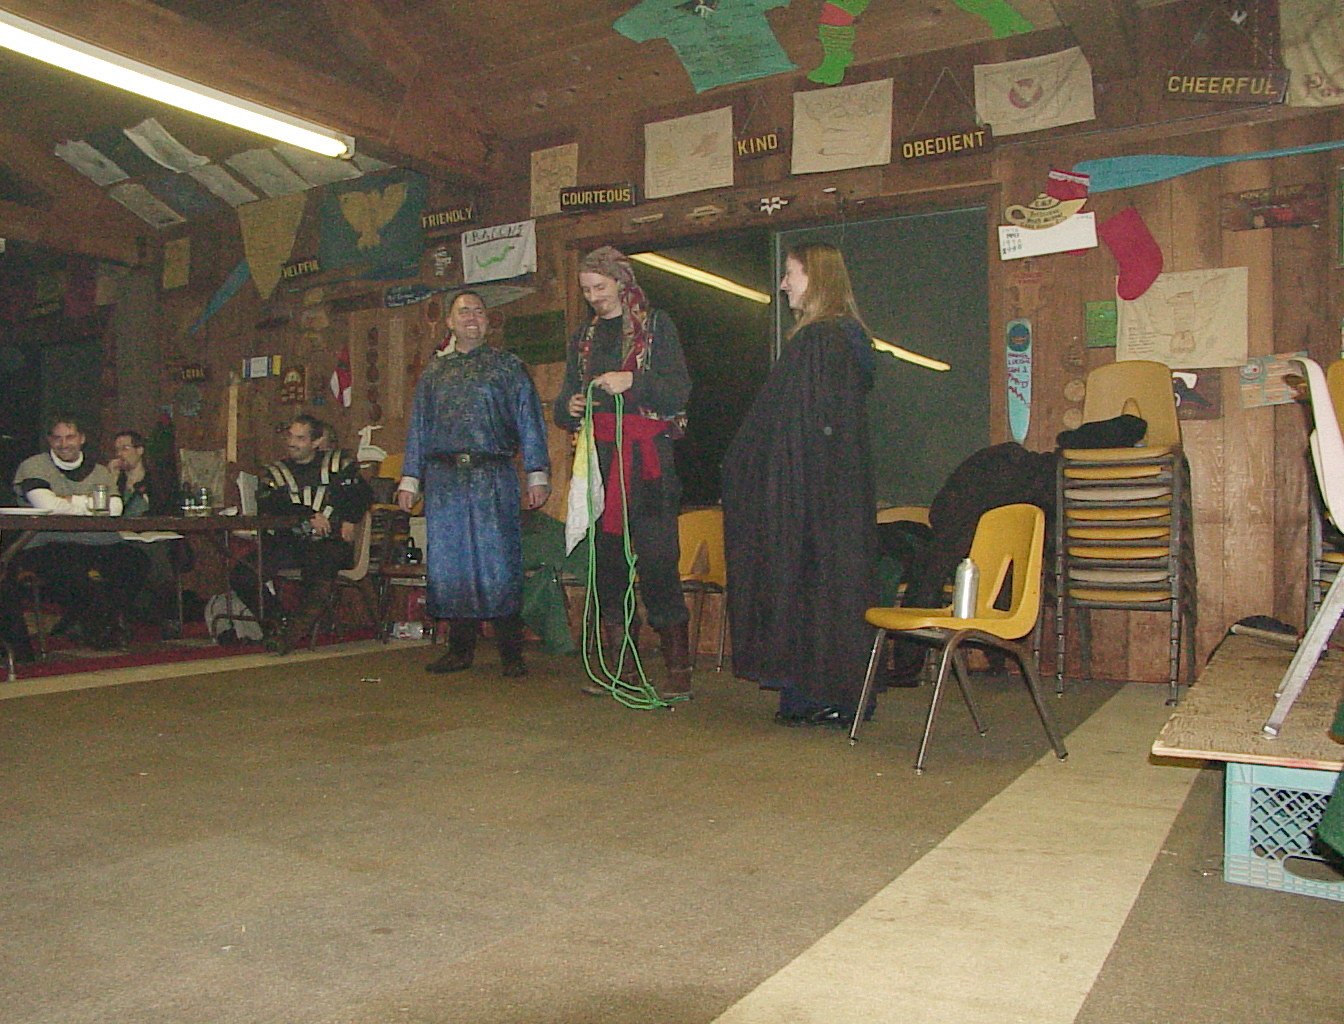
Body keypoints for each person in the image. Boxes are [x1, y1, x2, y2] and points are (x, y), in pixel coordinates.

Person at [722, 243, 878, 727]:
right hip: (835, 495)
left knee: (811, 589)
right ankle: (831, 693)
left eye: (790, 273)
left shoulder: (819, 343)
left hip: (809, 498)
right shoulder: (845, 341)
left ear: (817, 277)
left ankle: (819, 694)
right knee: (830, 590)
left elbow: (788, 428)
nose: (783, 284)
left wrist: (745, 469)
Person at [553, 246, 693, 700]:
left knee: (657, 561)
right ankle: (621, 667)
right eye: (586, 290)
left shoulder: (657, 326)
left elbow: (678, 390)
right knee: (607, 563)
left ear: (622, 282)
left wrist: (633, 380)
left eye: (600, 287)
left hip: (648, 460)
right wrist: (570, 405)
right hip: (600, 458)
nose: (593, 297)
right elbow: (563, 402)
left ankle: (677, 671)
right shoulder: (584, 337)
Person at [397, 290, 551, 677]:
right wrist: (410, 479)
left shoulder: (508, 368)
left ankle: (511, 653)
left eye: (479, 312)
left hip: (492, 476)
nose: (472, 318)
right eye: (463, 312)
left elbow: (529, 421)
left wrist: (537, 473)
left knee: (499, 562)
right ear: (450, 322)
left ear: (487, 322)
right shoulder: (434, 373)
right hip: (445, 481)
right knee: (451, 564)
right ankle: (459, 650)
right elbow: (419, 429)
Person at [232, 414, 373, 654]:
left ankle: (291, 633)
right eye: (290, 436)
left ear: (316, 442)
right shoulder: (275, 472)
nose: (292, 443)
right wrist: (306, 514)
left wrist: (350, 519)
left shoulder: (339, 466)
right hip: (289, 543)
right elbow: (269, 503)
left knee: (318, 568)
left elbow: (363, 495)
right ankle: (278, 620)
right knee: (243, 574)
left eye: (300, 438)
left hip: (329, 544)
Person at [11, 415, 148, 649]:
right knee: (73, 572)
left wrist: (68, 500)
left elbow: (115, 509)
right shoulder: (33, 466)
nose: (64, 444)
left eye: (70, 437)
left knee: (137, 562)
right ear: (49, 440)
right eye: (57, 438)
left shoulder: (100, 471)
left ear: (82, 439)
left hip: (99, 542)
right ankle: (93, 625)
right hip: (46, 543)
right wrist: (91, 503)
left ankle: (93, 623)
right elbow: (48, 506)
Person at [109, 429, 190, 636]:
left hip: (153, 534)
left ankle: (166, 615)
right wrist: (111, 481)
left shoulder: (157, 480)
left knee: (156, 552)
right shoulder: (114, 482)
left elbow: (169, 509)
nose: (120, 454)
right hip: (121, 536)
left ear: (140, 450)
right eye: (117, 450)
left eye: (125, 448)